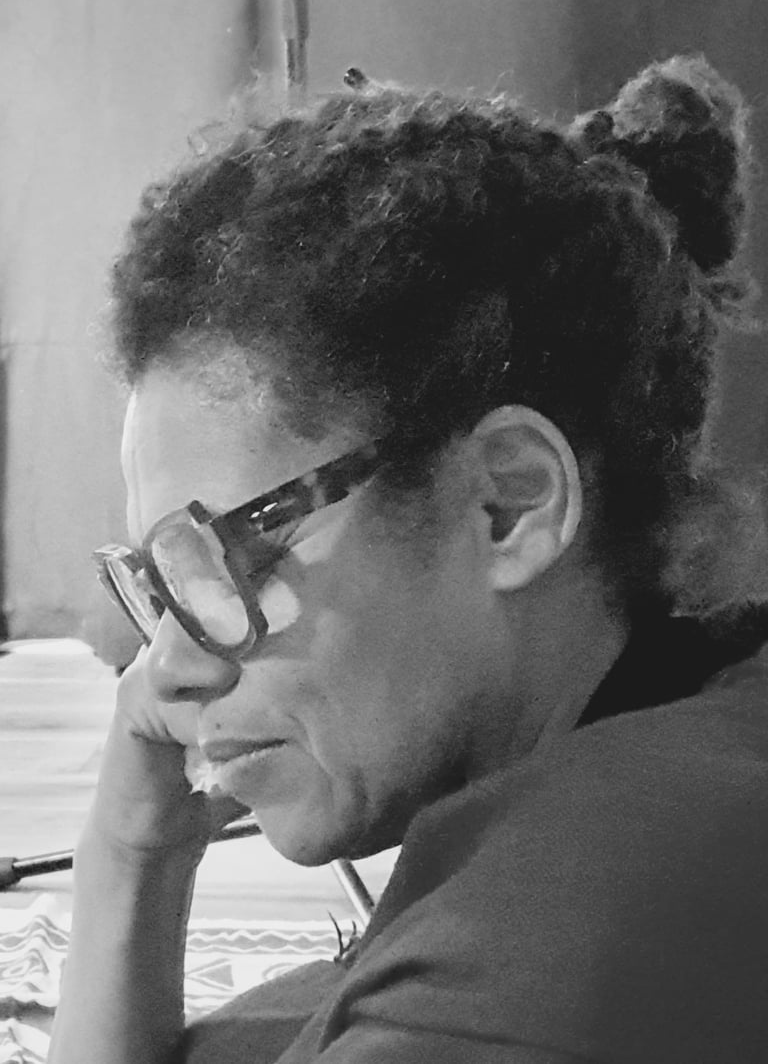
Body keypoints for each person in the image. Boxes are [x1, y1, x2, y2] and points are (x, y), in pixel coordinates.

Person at [49, 55, 768, 1064]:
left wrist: (124, 862)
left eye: (231, 555)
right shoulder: (697, 716)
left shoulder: (530, 960)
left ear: (508, 504)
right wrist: (132, 848)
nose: (171, 664)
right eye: (161, 585)